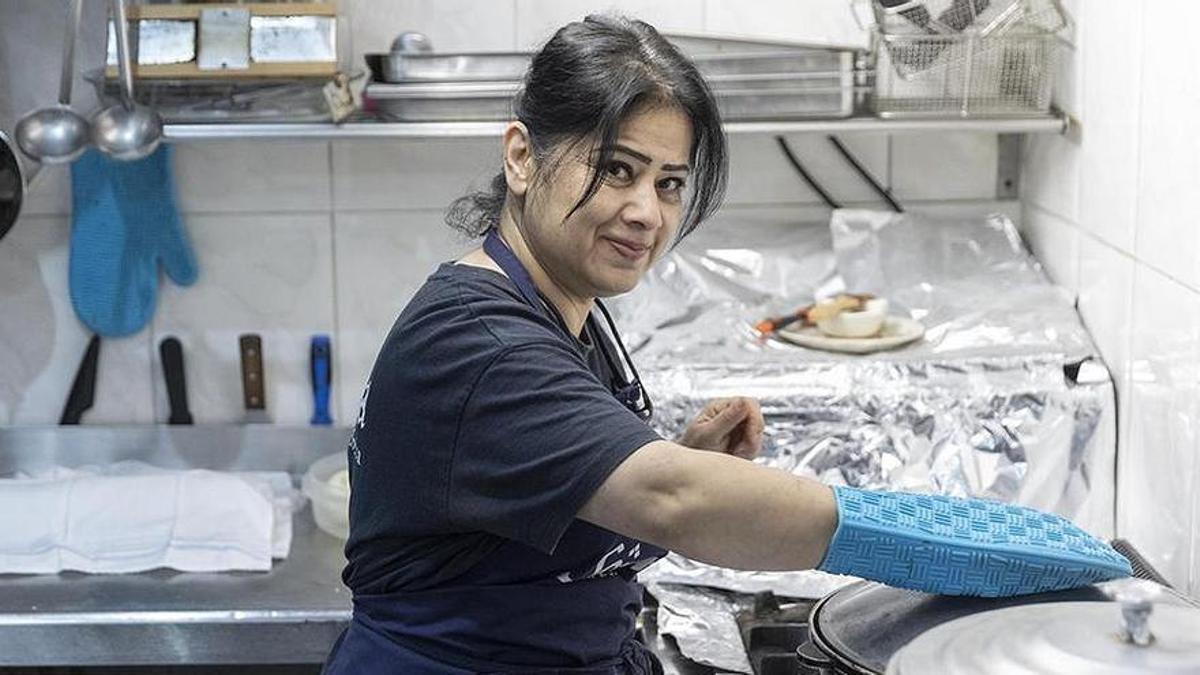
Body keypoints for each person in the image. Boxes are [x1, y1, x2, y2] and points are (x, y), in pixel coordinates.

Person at [322, 14, 1129, 675]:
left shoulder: (562, 305)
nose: (647, 210)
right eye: (615, 170)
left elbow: (562, 508)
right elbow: (680, 501)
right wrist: (946, 538)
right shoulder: (481, 339)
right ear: (523, 156)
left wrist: (667, 455)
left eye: (669, 183)